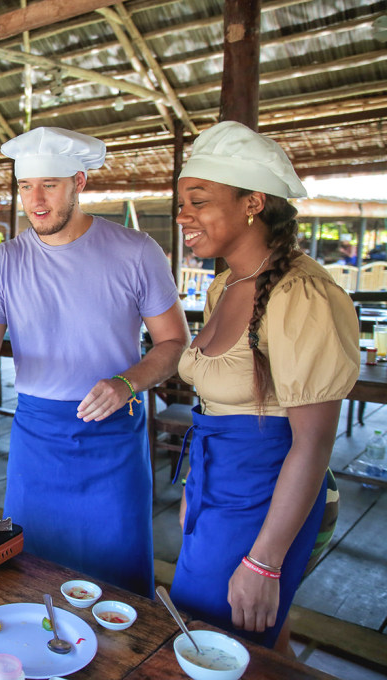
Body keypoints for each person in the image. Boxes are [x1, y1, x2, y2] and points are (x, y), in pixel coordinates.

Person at [0, 127, 189, 597]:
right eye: (25, 187)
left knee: (117, 575)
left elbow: (174, 343)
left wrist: (127, 382)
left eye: (50, 185)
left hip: (113, 435)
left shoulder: (136, 251)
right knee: (31, 573)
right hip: (37, 437)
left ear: (79, 182)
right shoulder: (4, 260)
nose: (35, 200)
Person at [169, 121, 359, 651]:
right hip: (216, 485)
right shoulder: (225, 285)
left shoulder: (303, 296)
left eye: (199, 200)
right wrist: (195, 487)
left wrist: (264, 560)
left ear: (253, 202)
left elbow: (314, 442)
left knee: (213, 637)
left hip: (265, 495)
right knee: (246, 633)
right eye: (182, 201)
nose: (183, 214)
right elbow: (215, 401)